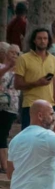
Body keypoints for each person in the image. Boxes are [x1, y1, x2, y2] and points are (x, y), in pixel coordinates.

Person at [14, 28, 55, 128]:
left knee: (49, 139)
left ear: (48, 41)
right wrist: (37, 83)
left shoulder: (53, 59)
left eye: (45, 38)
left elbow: (54, 84)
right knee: (29, 139)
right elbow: (17, 84)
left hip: (49, 106)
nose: (42, 41)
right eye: (39, 38)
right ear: (34, 40)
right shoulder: (24, 58)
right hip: (31, 106)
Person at [0, 44, 20, 176]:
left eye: (17, 53)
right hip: (0, 104)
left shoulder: (19, 70)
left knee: (3, 134)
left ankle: (5, 165)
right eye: (12, 52)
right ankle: (4, 164)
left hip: (11, 106)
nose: (14, 55)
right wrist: (8, 67)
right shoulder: (2, 67)